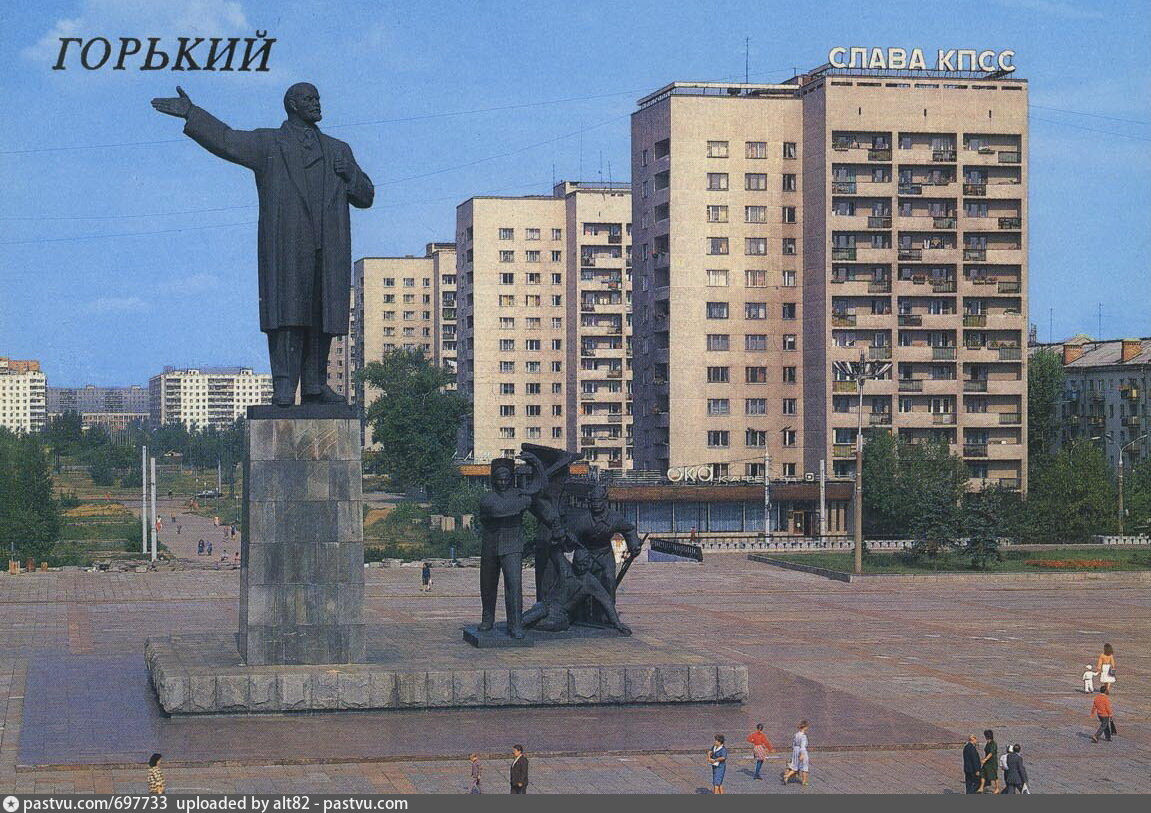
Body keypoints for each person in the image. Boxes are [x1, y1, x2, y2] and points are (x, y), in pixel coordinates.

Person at [151, 83, 374, 406]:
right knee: (287, 316)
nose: (316, 103)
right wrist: (192, 113)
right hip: (287, 247)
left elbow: (366, 196)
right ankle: (284, 386)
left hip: (329, 248)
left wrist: (351, 173)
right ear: (292, 105)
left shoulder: (339, 150)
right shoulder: (269, 143)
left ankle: (315, 385)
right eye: (309, 99)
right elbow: (226, 139)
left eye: (317, 98)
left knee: (322, 316)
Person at [478, 454, 544, 638]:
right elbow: (497, 510)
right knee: (487, 585)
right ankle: (487, 618)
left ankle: (515, 624)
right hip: (490, 546)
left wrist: (537, 464)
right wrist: (522, 501)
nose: (502, 483)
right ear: (493, 480)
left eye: (506, 479)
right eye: (499, 479)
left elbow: (539, 487)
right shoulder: (488, 499)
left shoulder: (520, 495)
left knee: (514, 586)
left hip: (513, 546)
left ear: (511, 479)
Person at [781, 721, 809, 786]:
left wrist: (795, 751)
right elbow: (803, 746)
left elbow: (793, 744)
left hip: (795, 751)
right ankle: (804, 781)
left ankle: (787, 775)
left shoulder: (796, 735)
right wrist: (802, 754)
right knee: (804, 767)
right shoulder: (803, 736)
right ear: (805, 727)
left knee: (795, 766)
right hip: (801, 751)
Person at [977, 729, 999, 794]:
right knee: (983, 773)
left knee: (994, 775)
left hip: (992, 762)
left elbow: (991, 753)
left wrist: (985, 759)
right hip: (987, 762)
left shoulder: (993, 744)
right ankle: (981, 787)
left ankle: (997, 788)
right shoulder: (988, 743)